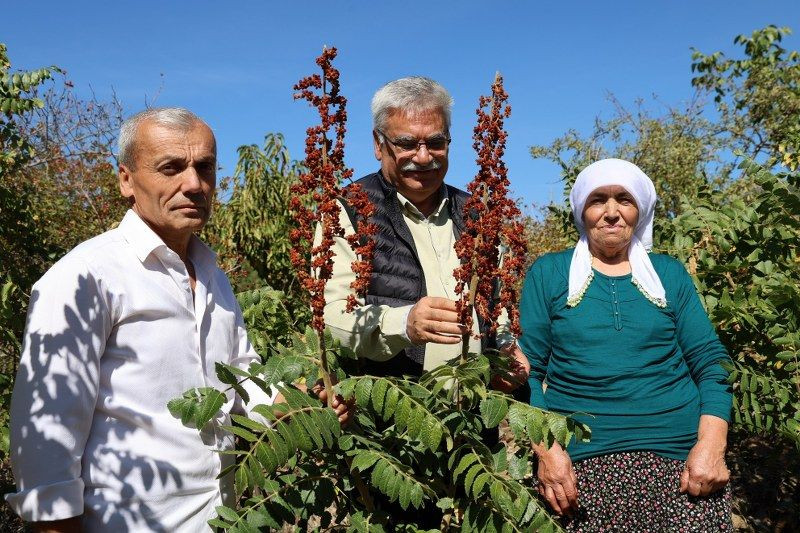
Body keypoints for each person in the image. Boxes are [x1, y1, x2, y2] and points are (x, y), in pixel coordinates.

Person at [6, 108, 348, 532]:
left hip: (221, 520)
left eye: (205, 167)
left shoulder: (212, 276)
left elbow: (245, 384)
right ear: (126, 180)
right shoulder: (85, 277)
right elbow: (45, 438)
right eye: (171, 168)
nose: (194, 184)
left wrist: (296, 407)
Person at [518, 158, 733, 530]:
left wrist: (711, 447)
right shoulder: (550, 273)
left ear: (641, 211)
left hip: (682, 466)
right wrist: (548, 452)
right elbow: (526, 371)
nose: (612, 212)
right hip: (579, 469)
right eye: (599, 199)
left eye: (625, 200)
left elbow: (711, 363)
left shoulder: (668, 274)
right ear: (582, 209)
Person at [322, 76, 529, 388]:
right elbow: (330, 319)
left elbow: (497, 307)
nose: (423, 157)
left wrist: (507, 348)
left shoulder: (480, 215)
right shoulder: (347, 210)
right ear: (379, 145)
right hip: (391, 423)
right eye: (406, 144)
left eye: (435, 143)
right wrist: (403, 324)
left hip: (471, 420)